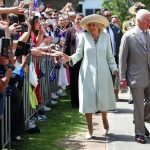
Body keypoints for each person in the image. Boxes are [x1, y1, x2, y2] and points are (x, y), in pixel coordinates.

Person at [59, 14, 119, 139]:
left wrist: (114, 69)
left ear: (99, 26)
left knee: (103, 98)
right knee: (88, 99)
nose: (92, 27)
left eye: (94, 24)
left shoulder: (106, 37)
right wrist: (69, 58)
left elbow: (109, 56)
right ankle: (90, 128)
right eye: (90, 25)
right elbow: (78, 54)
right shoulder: (83, 37)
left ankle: (104, 117)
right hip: (86, 72)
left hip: (103, 72)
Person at [119, 9, 150, 144]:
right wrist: (122, 77)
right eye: (148, 20)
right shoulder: (128, 36)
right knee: (138, 105)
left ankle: (139, 119)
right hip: (136, 76)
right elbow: (122, 58)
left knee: (146, 105)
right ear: (139, 21)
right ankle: (139, 133)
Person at [101, 9, 123, 101]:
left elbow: (122, 44)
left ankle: (110, 98)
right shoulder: (98, 29)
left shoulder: (116, 29)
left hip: (114, 58)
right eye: (106, 15)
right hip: (102, 58)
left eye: (110, 15)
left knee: (113, 80)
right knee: (103, 80)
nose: (109, 17)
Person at [63, 13, 84, 108]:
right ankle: (75, 102)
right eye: (78, 18)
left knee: (84, 81)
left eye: (81, 19)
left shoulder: (87, 31)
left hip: (85, 59)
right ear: (74, 20)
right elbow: (66, 45)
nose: (79, 20)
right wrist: (65, 59)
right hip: (72, 59)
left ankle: (84, 101)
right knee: (74, 81)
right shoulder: (70, 30)